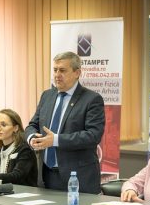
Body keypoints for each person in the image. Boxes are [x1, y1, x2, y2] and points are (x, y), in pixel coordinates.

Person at [25, 51, 105, 194]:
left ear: (77, 73)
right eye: (55, 70)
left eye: (62, 70)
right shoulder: (47, 96)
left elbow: (93, 135)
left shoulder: (92, 99)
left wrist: (56, 140)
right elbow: (33, 125)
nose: (57, 75)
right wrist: (32, 138)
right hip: (46, 175)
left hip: (78, 178)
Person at [0, 109, 38, 187]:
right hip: (1, 191)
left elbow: (16, 177)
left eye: (3, 125)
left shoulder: (25, 150)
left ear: (15, 128)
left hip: (23, 192)